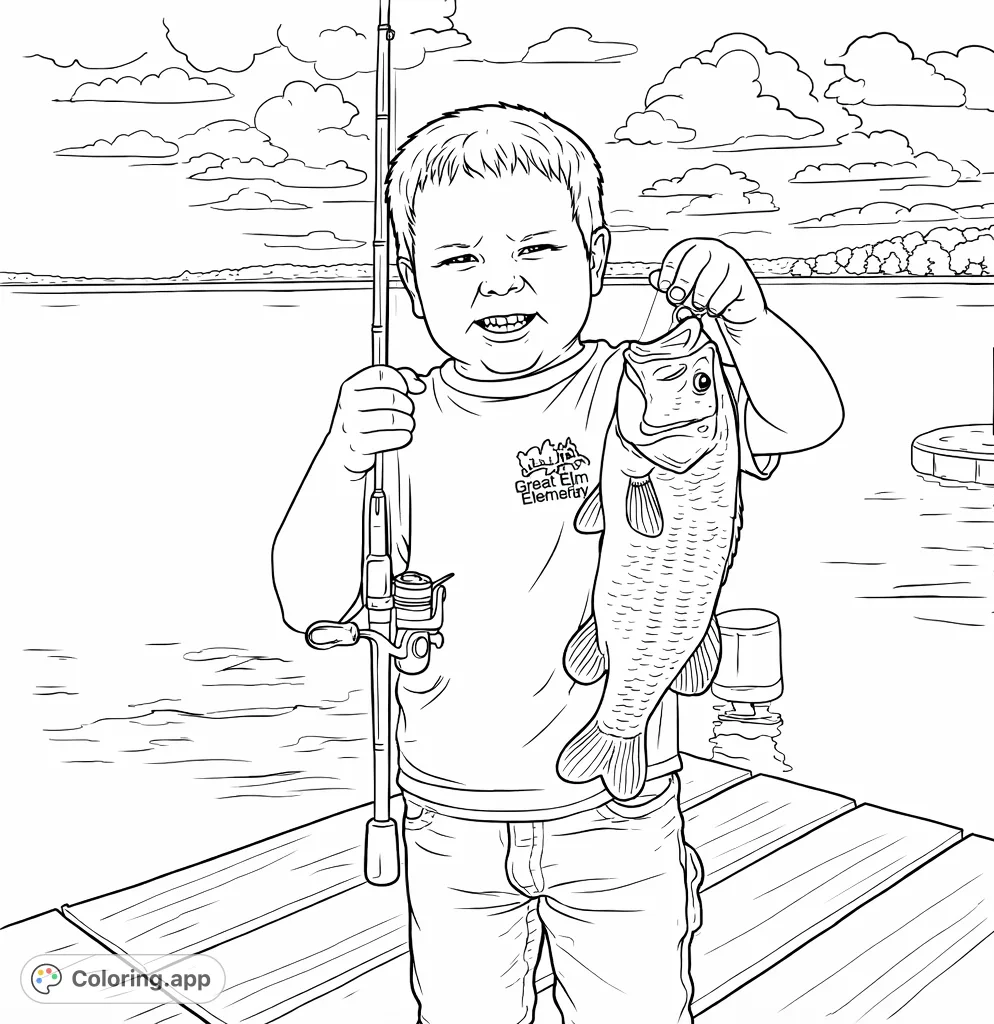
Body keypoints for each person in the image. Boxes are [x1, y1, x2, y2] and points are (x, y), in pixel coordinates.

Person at [272, 103, 843, 1024]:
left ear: (596, 256)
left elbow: (808, 420)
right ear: (412, 290)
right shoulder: (396, 421)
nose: (500, 283)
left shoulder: (634, 385)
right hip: (447, 813)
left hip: (623, 816)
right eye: (458, 260)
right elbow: (304, 595)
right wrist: (342, 456)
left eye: (536, 250)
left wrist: (746, 320)